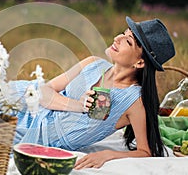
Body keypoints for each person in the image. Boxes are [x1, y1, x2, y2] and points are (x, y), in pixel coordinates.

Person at [11, 16, 175, 169]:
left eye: (128, 41)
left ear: (140, 62)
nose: (117, 38)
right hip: (26, 101)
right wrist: (78, 105)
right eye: (123, 33)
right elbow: (45, 90)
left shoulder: (134, 101)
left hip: (38, 136)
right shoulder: (93, 64)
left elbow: (145, 152)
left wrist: (107, 155)